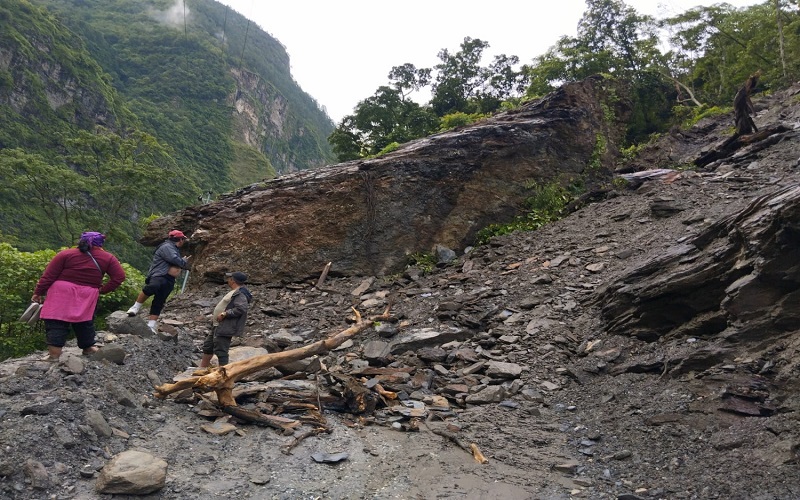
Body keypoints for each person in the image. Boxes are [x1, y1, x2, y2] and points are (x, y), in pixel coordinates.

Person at [32, 232, 126, 360]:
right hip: (87, 295)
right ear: (100, 244)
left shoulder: (65, 254)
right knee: (85, 321)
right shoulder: (108, 258)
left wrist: (38, 292)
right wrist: (102, 290)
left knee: (56, 322)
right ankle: (88, 348)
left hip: (61, 292)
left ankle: (54, 354)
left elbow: (48, 276)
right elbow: (119, 277)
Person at [126, 229, 191, 332]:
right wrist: (183, 261)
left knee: (160, 300)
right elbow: (175, 260)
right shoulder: (167, 247)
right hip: (160, 275)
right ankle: (135, 307)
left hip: (169, 279)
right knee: (152, 287)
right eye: (183, 239)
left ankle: (151, 325)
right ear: (180, 239)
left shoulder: (174, 248)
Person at [198, 272, 253, 367]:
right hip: (217, 325)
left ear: (233, 280)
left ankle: (224, 374)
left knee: (221, 350)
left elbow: (241, 309)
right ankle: (201, 370)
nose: (228, 280)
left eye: (230, 278)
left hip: (225, 326)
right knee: (208, 346)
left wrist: (225, 313)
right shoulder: (234, 291)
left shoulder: (240, 293)